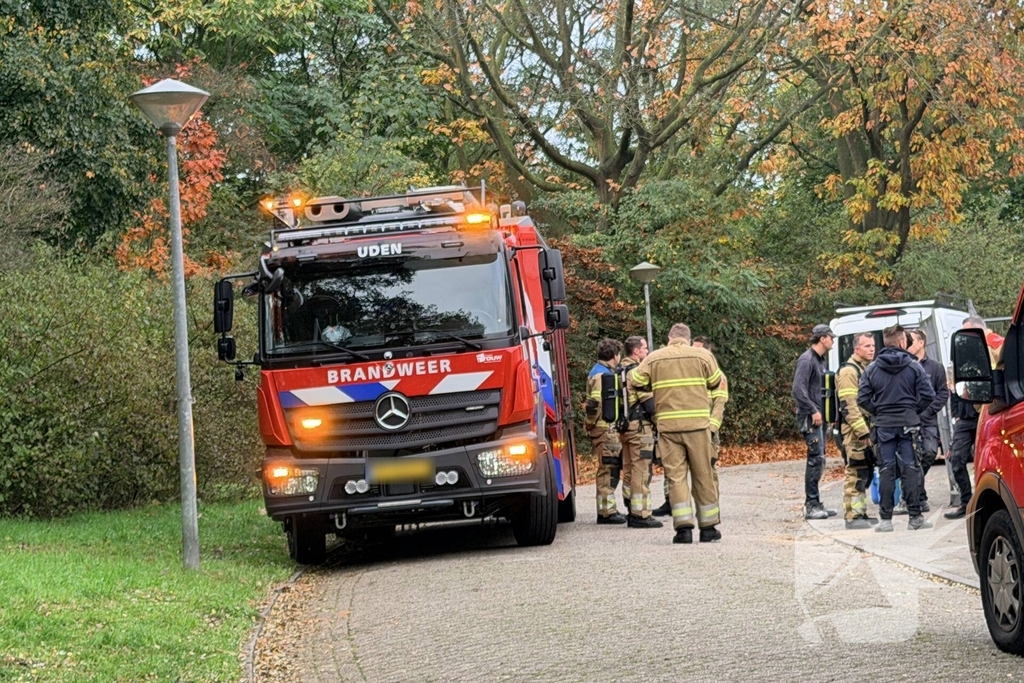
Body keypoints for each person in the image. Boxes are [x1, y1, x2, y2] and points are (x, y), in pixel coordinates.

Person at [631, 323, 723, 544]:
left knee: (676, 477)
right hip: (698, 427)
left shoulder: (654, 358)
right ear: (688, 339)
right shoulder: (702, 355)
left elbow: (635, 380)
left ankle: (683, 530)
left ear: (669, 338)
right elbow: (715, 382)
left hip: (669, 428)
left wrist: (653, 387)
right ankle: (708, 528)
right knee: (703, 475)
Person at [857, 324, 935, 532]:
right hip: (909, 424)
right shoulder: (914, 366)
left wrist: (878, 412)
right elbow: (929, 395)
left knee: (886, 470)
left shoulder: (872, 369)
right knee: (910, 469)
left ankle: (885, 520)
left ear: (885, 343)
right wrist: (913, 410)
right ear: (902, 342)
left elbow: (862, 398)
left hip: (884, 425)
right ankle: (915, 517)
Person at [944, 315, 992, 519]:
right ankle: (966, 502)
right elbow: (954, 388)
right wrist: (955, 415)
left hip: (986, 415)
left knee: (986, 462)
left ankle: (986, 503)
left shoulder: (991, 351)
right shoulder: (962, 356)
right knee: (957, 459)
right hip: (965, 418)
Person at [900, 328, 949, 514]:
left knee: (929, 453)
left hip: (927, 420)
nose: (907, 345)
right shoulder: (904, 366)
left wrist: (929, 411)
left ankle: (915, 493)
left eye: (911, 341)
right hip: (909, 418)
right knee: (911, 459)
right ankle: (917, 497)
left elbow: (943, 392)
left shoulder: (935, 367)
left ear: (921, 343)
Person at [792, 324, 838, 520]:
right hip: (809, 417)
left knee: (820, 459)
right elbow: (798, 389)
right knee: (814, 459)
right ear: (822, 339)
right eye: (831, 337)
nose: (833, 341)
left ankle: (816, 502)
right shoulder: (807, 360)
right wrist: (813, 410)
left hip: (819, 417)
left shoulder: (820, 361)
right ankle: (811, 505)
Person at [617, 336, 662, 528]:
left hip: (624, 428)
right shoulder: (637, 371)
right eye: (644, 348)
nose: (647, 351)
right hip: (639, 428)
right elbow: (649, 405)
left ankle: (630, 507)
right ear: (636, 351)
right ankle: (640, 514)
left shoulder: (618, 370)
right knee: (641, 470)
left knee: (628, 470)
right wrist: (661, 424)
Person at [836, 332, 877, 529]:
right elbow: (849, 406)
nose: (871, 349)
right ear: (856, 349)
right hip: (854, 431)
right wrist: (863, 432)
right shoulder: (848, 372)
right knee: (855, 471)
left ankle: (860, 513)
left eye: (872, 345)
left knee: (864, 472)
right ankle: (851, 516)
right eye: (867, 346)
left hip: (864, 428)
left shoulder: (864, 369)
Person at [585, 338, 626, 524]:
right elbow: (595, 404)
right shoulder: (603, 376)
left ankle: (606, 510)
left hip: (602, 428)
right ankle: (607, 512)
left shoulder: (598, 371)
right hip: (605, 428)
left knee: (607, 468)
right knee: (608, 469)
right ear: (615, 356)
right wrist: (591, 424)